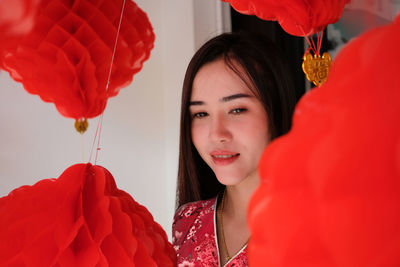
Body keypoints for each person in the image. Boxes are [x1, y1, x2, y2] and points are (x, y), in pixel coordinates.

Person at [172, 32, 296, 266]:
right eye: (201, 114)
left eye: (237, 110)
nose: (217, 134)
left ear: (276, 110)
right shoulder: (187, 221)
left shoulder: (317, 224)